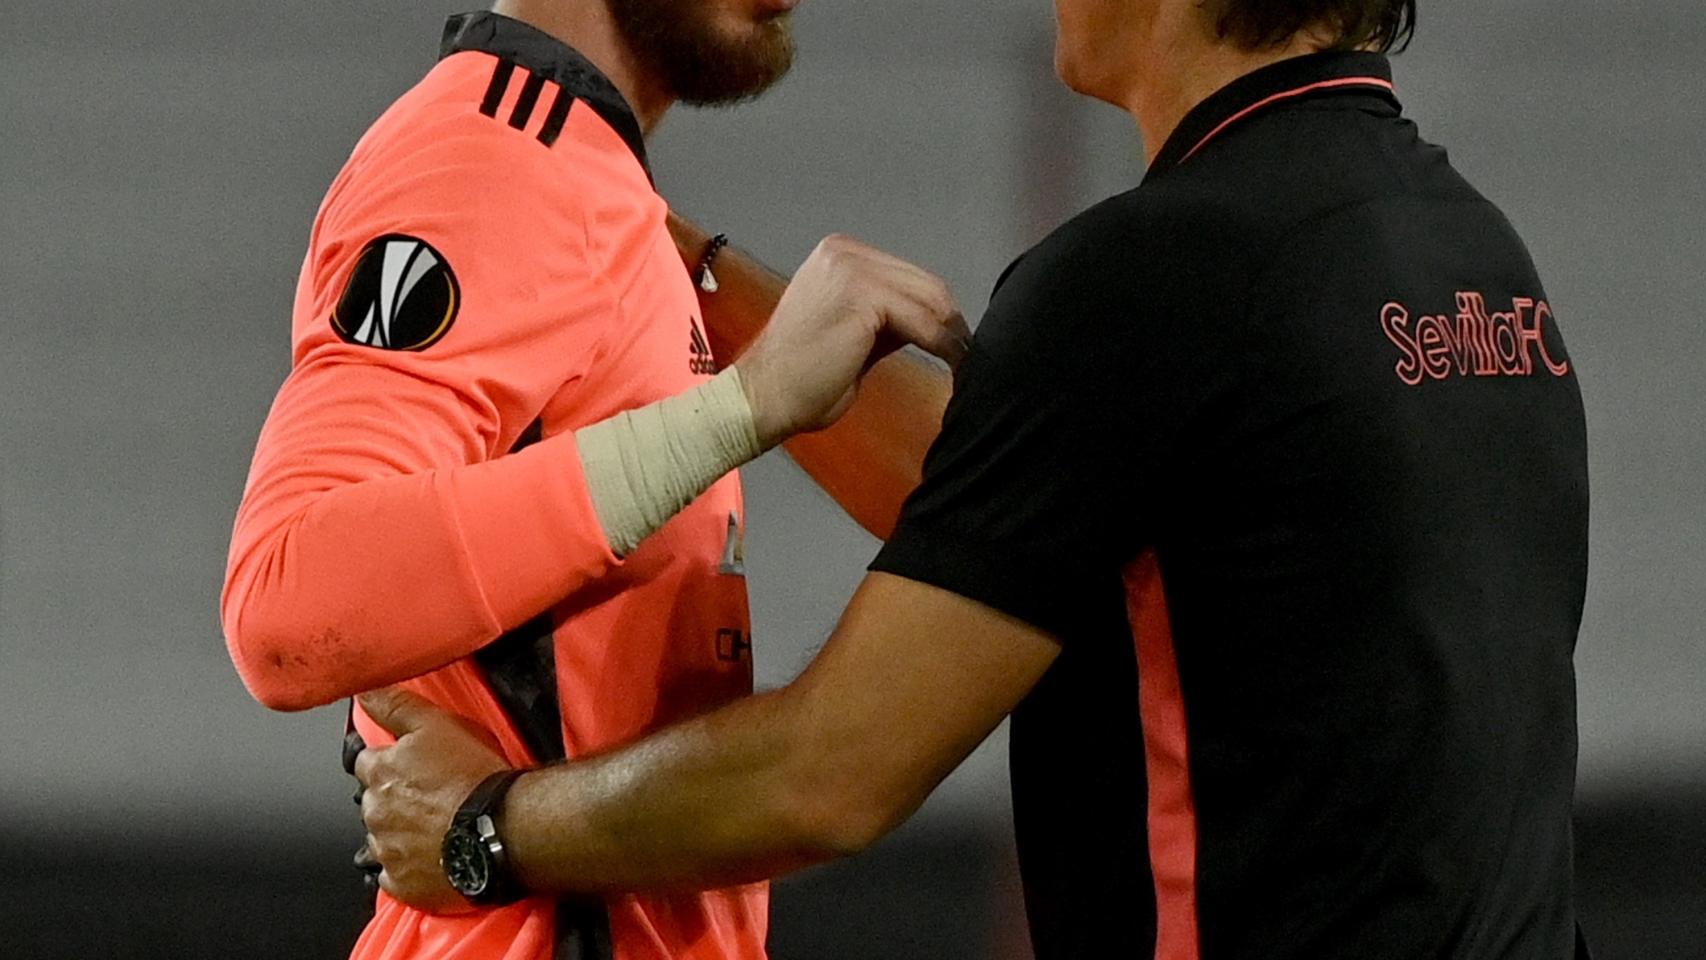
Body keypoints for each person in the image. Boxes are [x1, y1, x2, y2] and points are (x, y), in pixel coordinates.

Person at [352, 0, 1598, 958]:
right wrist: (658, 245)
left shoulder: (1155, 278)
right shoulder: (1467, 258)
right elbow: (1033, 512)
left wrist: (487, 829)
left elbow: (829, 774)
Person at [218, 1, 968, 958]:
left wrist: (687, 265)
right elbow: (284, 602)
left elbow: (982, 510)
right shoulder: (482, 161)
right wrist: (741, 408)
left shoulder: (589, 183)